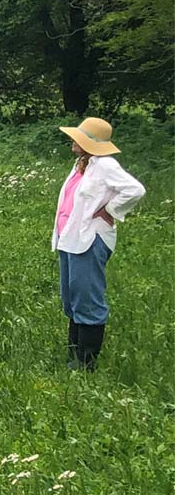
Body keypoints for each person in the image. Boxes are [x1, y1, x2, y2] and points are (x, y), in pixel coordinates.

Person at [52, 118, 145, 371]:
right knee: (72, 298)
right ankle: (74, 354)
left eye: (77, 137)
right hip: (70, 238)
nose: (72, 141)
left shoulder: (105, 164)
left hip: (90, 239)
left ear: (88, 142)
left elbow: (135, 190)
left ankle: (86, 362)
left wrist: (110, 208)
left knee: (87, 297)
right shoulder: (83, 163)